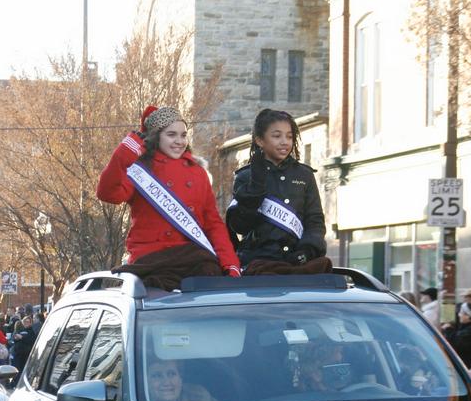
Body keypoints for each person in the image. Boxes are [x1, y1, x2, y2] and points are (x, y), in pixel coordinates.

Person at [96, 105, 241, 290]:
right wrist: (122, 156)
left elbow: (213, 223)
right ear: (156, 136)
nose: (179, 141)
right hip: (152, 260)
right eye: (171, 135)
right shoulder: (140, 169)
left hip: (193, 258)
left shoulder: (197, 173)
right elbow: (108, 194)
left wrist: (230, 263)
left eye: (183, 135)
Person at [227, 109, 329, 274]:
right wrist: (255, 188)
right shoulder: (245, 176)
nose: (285, 142)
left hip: (298, 261)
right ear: (260, 140)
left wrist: (307, 250)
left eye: (289, 137)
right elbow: (240, 226)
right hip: (258, 262)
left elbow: (315, 221)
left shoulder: (305, 175)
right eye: (277, 136)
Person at [146, 359, 215, 401]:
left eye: (171, 374)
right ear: (146, 382)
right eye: (157, 376)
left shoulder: (201, 398)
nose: (166, 382)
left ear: (180, 379)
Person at [443, 302, 471, 367]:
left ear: (468, 316)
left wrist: (448, 329)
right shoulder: (468, 327)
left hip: (468, 368)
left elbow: (454, 344)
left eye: (461, 313)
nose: (459, 315)